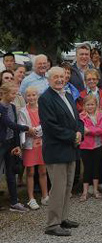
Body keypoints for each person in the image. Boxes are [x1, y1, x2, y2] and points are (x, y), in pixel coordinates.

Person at [38, 66, 84, 236]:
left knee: (67, 186)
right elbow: (50, 127)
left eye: (61, 76)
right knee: (57, 189)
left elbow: (77, 119)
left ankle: (62, 218)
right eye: (55, 77)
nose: (59, 79)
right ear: (49, 79)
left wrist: (80, 132)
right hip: (56, 151)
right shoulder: (45, 99)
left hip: (70, 148)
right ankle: (52, 225)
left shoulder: (68, 95)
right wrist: (73, 136)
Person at [0, 82, 34, 212]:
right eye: (13, 93)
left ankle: (14, 202)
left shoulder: (13, 107)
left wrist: (16, 145)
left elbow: (14, 126)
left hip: (10, 144)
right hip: (1, 144)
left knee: (11, 173)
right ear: (3, 93)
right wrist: (27, 128)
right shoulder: (1, 108)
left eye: (16, 93)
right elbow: (9, 124)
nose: (15, 95)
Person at [18, 87, 49, 210]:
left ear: (37, 96)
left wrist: (40, 129)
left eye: (33, 95)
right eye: (29, 95)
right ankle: (31, 198)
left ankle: (45, 195)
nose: (31, 98)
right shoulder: (22, 111)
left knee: (43, 171)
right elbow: (21, 125)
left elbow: (47, 122)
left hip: (42, 143)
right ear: (26, 97)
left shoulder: (42, 108)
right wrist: (28, 130)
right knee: (30, 171)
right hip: (30, 145)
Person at [79, 95, 102, 202]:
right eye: (88, 104)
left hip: (98, 145)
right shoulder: (81, 116)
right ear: (84, 106)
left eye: (92, 104)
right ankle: (85, 191)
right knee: (87, 168)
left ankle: (95, 190)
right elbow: (82, 129)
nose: (90, 107)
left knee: (96, 167)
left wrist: (90, 131)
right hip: (85, 146)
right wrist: (94, 130)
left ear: (96, 105)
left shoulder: (100, 115)